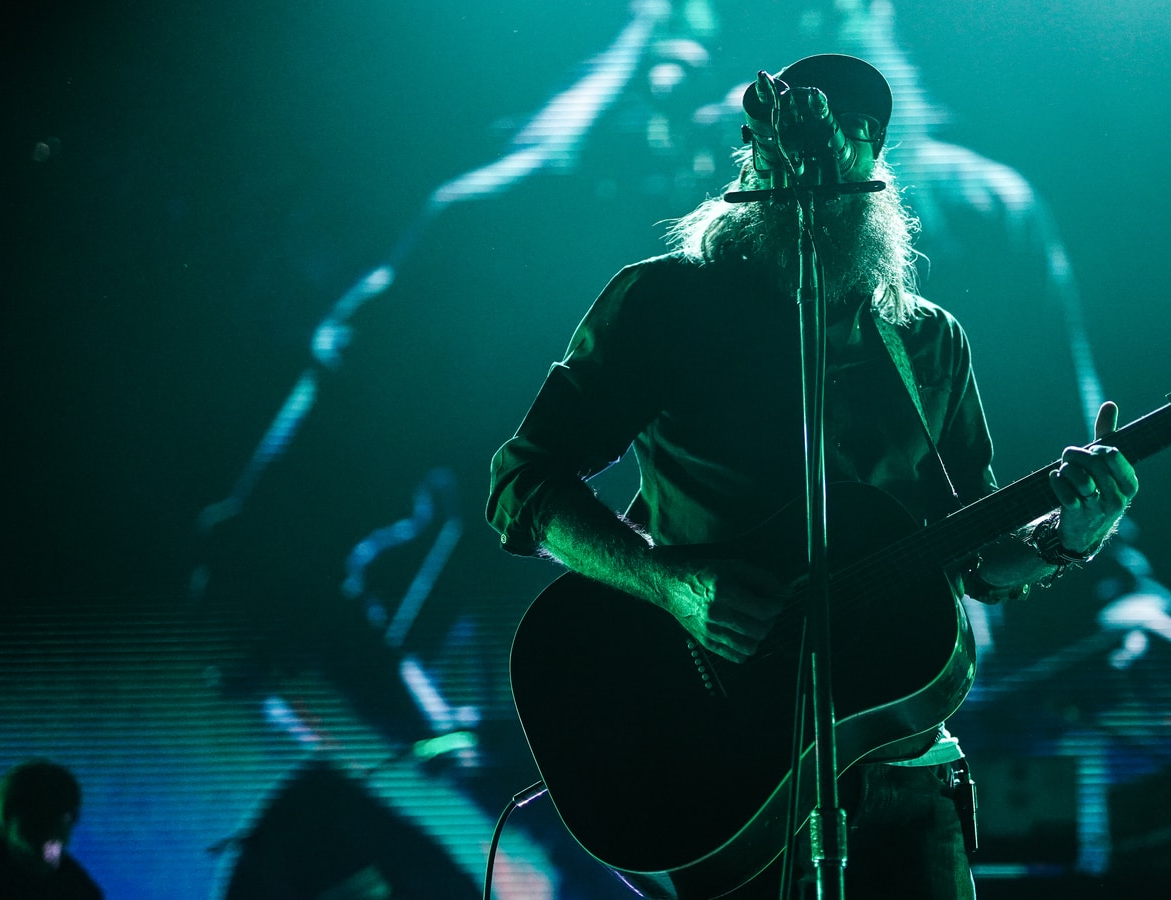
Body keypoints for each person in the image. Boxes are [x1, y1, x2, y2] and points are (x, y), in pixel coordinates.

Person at [487, 54, 1138, 899]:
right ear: (753, 160)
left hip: (905, 782)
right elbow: (521, 488)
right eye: (791, 157)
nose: (816, 179)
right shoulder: (666, 306)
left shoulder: (928, 342)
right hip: (720, 774)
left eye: (844, 155)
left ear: (877, 168)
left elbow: (975, 554)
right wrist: (666, 582)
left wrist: (1067, 539)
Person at [0, 759, 103, 900]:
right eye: (39, 813)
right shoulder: (76, 886)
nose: (51, 825)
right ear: (8, 815)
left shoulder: (77, 889)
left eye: (62, 815)